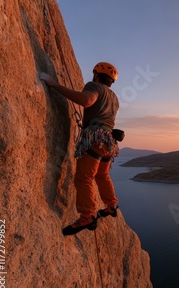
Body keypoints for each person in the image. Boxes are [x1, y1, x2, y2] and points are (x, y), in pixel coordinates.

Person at [39, 62, 120, 236]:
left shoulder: (94, 86)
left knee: (84, 178)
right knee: (102, 175)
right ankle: (111, 205)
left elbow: (86, 100)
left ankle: (87, 216)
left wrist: (54, 85)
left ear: (96, 74)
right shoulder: (114, 97)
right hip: (109, 142)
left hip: (95, 139)